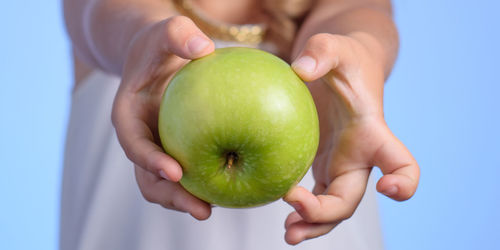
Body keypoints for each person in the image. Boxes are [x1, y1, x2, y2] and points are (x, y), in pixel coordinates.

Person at [60, 0, 420, 249]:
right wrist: (142, 37)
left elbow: (358, 15)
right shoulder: (122, 23)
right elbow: (102, 12)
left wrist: (361, 51)